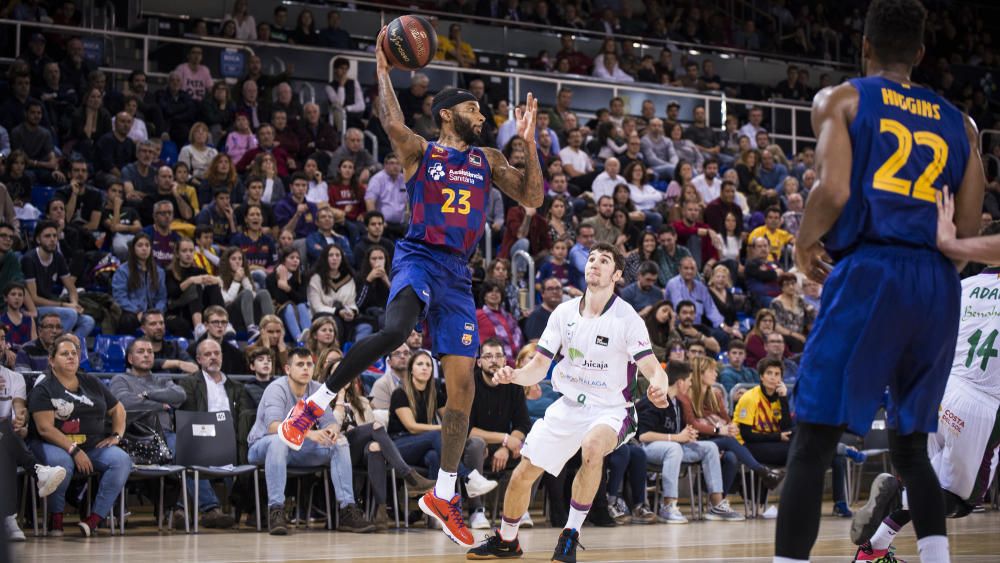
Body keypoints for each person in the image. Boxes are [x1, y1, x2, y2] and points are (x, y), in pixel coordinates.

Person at [279, 25, 544, 549]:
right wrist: (381, 68)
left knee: (463, 386)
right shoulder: (422, 150)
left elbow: (532, 197)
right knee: (397, 329)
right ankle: (317, 401)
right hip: (419, 256)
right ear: (448, 114)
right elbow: (391, 119)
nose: (483, 116)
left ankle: (445, 494)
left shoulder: (488, 160)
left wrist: (529, 145)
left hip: (457, 274)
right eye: (474, 110)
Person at [775, 0, 986, 559]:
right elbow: (967, 229)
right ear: (919, 53)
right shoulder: (961, 124)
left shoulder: (842, 99)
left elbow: (835, 190)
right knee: (913, 448)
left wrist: (802, 244)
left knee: (814, 437)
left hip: (871, 268)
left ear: (864, 46)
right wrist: (933, 276)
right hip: (940, 282)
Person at [466, 242, 669, 562]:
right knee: (522, 475)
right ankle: (507, 540)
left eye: (604, 261)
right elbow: (536, 368)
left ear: (616, 274)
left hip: (612, 409)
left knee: (592, 448)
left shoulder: (627, 318)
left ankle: (570, 536)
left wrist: (658, 388)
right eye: (591, 259)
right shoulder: (563, 312)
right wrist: (512, 376)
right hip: (568, 405)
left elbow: (654, 370)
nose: (594, 265)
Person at [850, 220, 1000, 561]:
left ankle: (872, 551)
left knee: (926, 479)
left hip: (940, 389)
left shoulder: (965, 285)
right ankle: (893, 497)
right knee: (961, 502)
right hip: (982, 404)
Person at [247, 347, 375, 535]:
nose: (306, 368)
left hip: (296, 448)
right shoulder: (276, 389)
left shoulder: (316, 389)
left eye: (309, 364)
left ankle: (347, 510)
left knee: (339, 443)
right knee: (278, 442)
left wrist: (331, 432)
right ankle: (276, 510)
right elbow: (273, 427)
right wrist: (309, 433)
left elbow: (330, 423)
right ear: (288, 369)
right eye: (300, 364)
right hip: (263, 446)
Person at [28, 335, 129, 537]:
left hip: (91, 446)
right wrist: (74, 451)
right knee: (63, 465)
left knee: (121, 460)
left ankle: (94, 520)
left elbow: (118, 409)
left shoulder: (91, 381)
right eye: (64, 354)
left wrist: (116, 436)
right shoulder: (44, 387)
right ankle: (55, 518)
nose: (71, 357)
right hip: (50, 444)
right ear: (51, 360)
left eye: (74, 353)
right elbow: (45, 429)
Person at [637, 361, 746, 525]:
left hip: (674, 447)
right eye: (688, 381)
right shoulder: (653, 400)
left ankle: (716, 504)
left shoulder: (678, 403)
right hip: (649, 448)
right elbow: (644, 436)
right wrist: (676, 438)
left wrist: (688, 435)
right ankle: (668, 505)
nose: (690, 384)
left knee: (710, 447)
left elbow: (679, 434)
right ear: (680, 382)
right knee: (674, 448)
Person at [176, 339, 242, 529]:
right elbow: (188, 419)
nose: (213, 357)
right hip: (200, 438)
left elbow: (241, 418)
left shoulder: (235, 386)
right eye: (207, 354)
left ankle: (181, 509)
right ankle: (211, 509)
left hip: (229, 441)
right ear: (198, 359)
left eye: (217, 353)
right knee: (188, 455)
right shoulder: (189, 383)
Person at [21, 221, 95, 340]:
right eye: (47, 236)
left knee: (88, 321)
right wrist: (65, 305)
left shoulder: (57, 257)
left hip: (52, 305)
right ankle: (50, 348)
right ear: (38, 240)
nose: (52, 239)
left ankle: (68, 347)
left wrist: (74, 304)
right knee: (70, 314)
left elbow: (71, 289)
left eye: (55, 236)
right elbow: (34, 298)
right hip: (34, 309)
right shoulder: (29, 259)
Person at [111, 233, 167, 334]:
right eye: (140, 245)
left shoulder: (159, 272)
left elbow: (162, 297)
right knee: (127, 321)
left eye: (147, 245)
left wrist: (156, 312)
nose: (144, 248)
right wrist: (137, 311)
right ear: (133, 249)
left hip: (153, 311)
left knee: (177, 323)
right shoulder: (123, 271)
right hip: (132, 312)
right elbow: (120, 297)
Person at [218, 247, 274, 336]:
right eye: (233, 259)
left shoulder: (245, 277)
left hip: (248, 313)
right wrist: (236, 281)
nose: (238, 261)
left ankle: (272, 325)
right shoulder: (219, 279)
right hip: (231, 316)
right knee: (246, 293)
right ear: (227, 262)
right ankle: (251, 328)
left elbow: (253, 296)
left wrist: (244, 279)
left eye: (240, 259)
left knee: (263, 292)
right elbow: (226, 301)